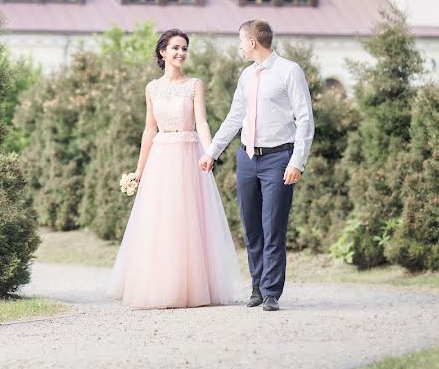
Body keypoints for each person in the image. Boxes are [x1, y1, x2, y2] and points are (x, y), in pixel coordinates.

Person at [108, 29, 241, 309]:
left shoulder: (194, 84)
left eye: (184, 48)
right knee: (161, 221)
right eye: (175, 48)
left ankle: (190, 287)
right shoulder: (152, 88)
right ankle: (161, 286)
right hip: (161, 157)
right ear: (162, 52)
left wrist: (210, 153)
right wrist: (139, 170)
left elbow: (203, 122)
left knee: (188, 219)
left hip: (190, 154)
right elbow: (149, 130)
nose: (181, 53)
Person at [199, 20, 314, 312]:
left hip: (279, 158)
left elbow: (305, 119)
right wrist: (212, 151)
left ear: (252, 42)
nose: (239, 46)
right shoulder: (246, 76)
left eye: (241, 41)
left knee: (272, 226)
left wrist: (297, 160)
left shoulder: (290, 71)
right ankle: (257, 287)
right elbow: (234, 117)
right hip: (247, 158)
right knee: (251, 227)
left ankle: (271, 291)